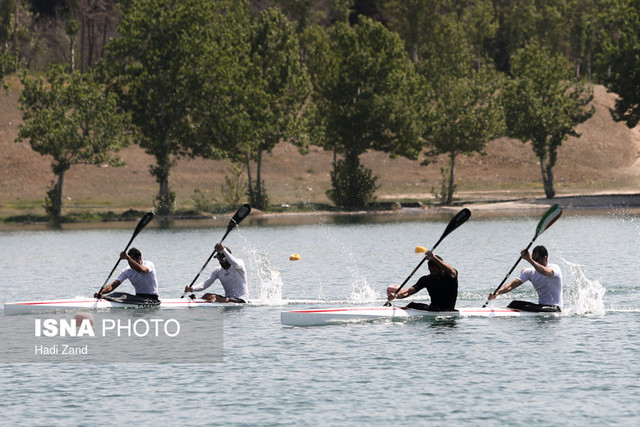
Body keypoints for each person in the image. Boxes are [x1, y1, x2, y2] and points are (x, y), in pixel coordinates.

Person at [487, 245, 563, 312]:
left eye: (537, 259)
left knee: (526, 307)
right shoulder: (530, 272)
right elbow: (511, 285)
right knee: (514, 304)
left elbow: (546, 272)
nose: (534, 262)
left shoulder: (554, 268)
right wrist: (497, 292)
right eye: (533, 259)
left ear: (545, 258)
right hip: (541, 307)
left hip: (555, 308)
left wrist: (529, 260)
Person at [386, 250, 458, 311]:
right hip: (433, 309)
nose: (431, 273)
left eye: (434, 271)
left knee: (412, 305)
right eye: (430, 270)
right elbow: (408, 291)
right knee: (411, 304)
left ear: (441, 268)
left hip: (448, 309)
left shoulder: (450, 276)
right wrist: (396, 296)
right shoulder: (426, 279)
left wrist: (433, 258)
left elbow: (451, 271)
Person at [184, 243, 248, 303]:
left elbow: (235, 263)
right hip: (227, 299)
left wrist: (223, 250)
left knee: (218, 299)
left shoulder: (239, 264)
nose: (219, 262)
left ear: (227, 258)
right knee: (207, 296)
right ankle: (195, 300)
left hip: (241, 299)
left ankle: (218, 301)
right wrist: (192, 289)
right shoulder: (218, 270)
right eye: (218, 259)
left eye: (221, 259)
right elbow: (205, 284)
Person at [95, 247, 159, 300]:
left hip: (152, 297)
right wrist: (101, 292)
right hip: (138, 297)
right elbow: (113, 285)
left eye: (131, 260)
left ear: (139, 258)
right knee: (117, 295)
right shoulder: (127, 271)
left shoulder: (148, 264)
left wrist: (128, 258)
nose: (129, 262)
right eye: (128, 260)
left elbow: (141, 270)